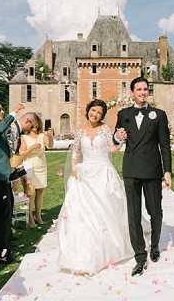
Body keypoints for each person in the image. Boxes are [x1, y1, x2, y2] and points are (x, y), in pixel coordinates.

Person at [57, 99, 132, 275]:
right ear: (88, 110)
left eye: (99, 112)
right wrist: (75, 168)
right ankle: (84, 253)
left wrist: (120, 140)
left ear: (102, 115)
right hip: (85, 174)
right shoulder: (81, 131)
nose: (95, 114)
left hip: (103, 173)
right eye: (93, 110)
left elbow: (112, 149)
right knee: (83, 215)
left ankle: (108, 249)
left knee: (105, 211)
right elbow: (76, 152)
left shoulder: (105, 129)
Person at [114, 77, 171, 276]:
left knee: (155, 211)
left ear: (148, 92)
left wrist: (167, 171)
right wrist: (117, 137)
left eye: (145, 89)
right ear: (132, 92)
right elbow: (117, 138)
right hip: (130, 169)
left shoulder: (159, 115)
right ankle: (140, 254)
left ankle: (154, 244)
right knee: (133, 215)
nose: (142, 92)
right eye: (138, 89)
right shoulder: (123, 114)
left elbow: (164, 145)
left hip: (152, 169)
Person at [0, 102, 35, 264]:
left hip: (3, 175)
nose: (1, 111)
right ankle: (1, 253)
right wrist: (14, 113)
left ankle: (3, 246)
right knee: (2, 215)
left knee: (7, 211)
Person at [19, 115, 53, 225]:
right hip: (29, 166)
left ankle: (38, 215)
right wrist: (32, 148)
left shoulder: (42, 136)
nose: (34, 125)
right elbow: (21, 154)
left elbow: (50, 146)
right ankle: (30, 218)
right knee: (30, 193)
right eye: (32, 123)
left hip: (41, 166)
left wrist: (50, 136)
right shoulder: (23, 137)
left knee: (40, 192)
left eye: (36, 122)